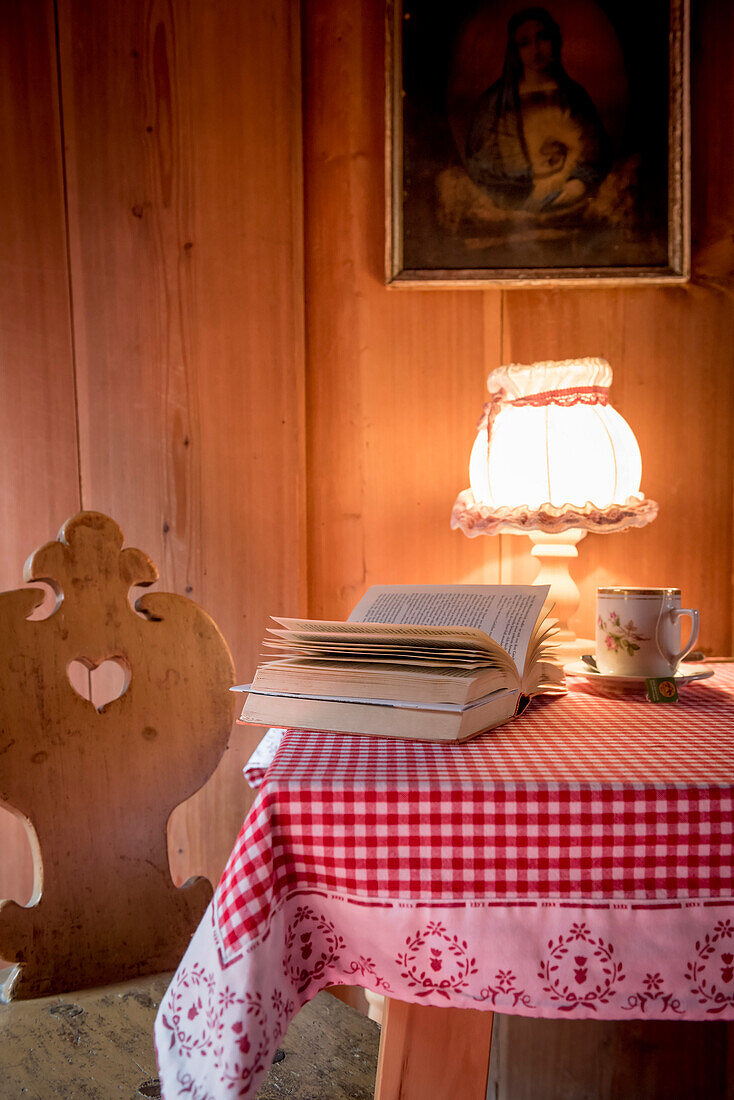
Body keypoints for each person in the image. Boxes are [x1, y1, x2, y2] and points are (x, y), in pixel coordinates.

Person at [465, 7, 612, 212]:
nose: (536, 49)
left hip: (572, 203)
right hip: (512, 210)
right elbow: (480, 164)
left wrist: (578, 184)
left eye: (542, 38)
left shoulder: (574, 95)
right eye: (525, 43)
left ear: (554, 41)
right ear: (515, 51)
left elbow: (598, 153)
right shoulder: (494, 102)